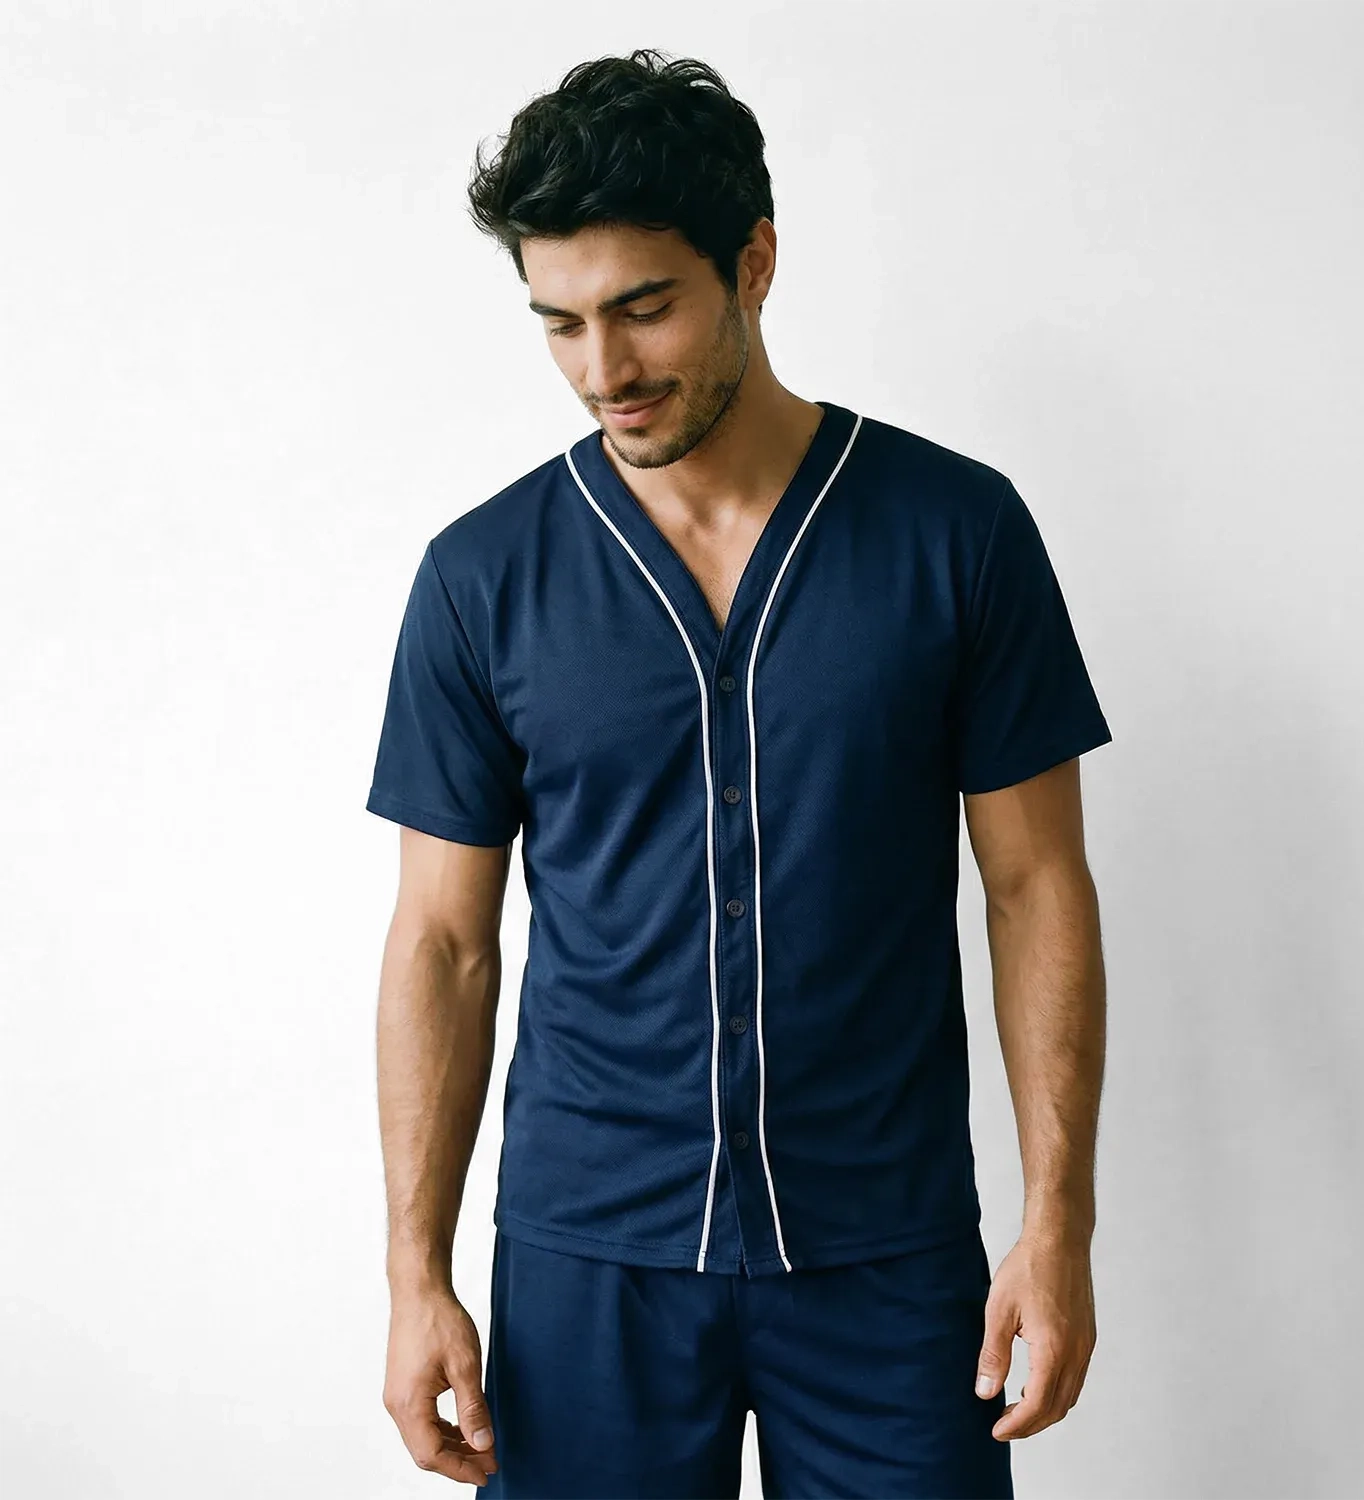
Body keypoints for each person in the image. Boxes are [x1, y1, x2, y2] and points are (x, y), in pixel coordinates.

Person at [366, 47, 1110, 1499]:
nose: (604, 371)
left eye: (643, 307)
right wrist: (415, 1274)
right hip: (589, 1259)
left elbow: (1036, 886)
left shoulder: (956, 533)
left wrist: (1058, 1224)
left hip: (888, 1250)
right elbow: (443, 941)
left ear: (753, 264)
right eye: (561, 323)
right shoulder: (481, 577)